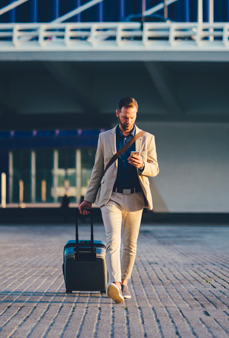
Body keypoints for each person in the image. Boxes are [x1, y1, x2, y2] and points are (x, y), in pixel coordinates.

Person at [78, 96, 159, 304]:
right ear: (117, 114)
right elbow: (98, 169)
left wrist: (142, 165)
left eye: (131, 117)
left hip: (135, 198)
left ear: (136, 115)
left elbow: (155, 168)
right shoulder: (104, 138)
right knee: (113, 239)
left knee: (130, 244)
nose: (127, 121)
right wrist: (88, 199)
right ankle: (114, 283)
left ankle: (124, 281)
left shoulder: (147, 138)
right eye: (124, 117)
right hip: (110, 197)